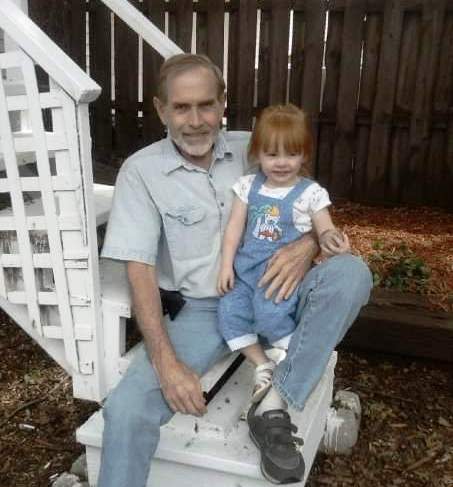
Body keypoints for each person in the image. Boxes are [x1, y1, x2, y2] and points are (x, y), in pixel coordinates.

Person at [99, 53, 372, 487]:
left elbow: (309, 199)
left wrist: (308, 244)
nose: (195, 121)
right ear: (160, 108)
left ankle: (273, 404)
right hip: (207, 309)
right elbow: (139, 270)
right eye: (181, 107)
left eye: (206, 105)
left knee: (352, 274)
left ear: (223, 103)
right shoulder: (142, 172)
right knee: (128, 409)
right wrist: (166, 363)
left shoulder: (254, 148)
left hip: (282, 288)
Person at [217, 104, 351, 412]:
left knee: (269, 312)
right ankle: (262, 364)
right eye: (271, 154)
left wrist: (332, 239)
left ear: (304, 155)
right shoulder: (248, 186)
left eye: (291, 154)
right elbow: (234, 230)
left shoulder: (309, 193)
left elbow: (325, 228)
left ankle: (291, 356)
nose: (281, 163)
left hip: (280, 274)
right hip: (244, 273)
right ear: (257, 154)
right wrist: (226, 266)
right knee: (228, 312)